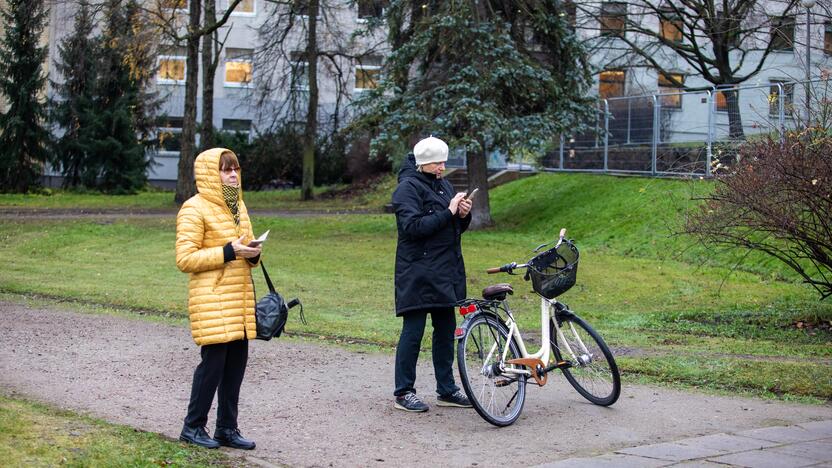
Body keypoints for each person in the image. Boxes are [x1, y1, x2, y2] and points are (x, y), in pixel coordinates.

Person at [175, 148, 261, 450]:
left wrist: (253, 253)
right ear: (211, 174)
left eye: (236, 169)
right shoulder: (193, 208)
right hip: (212, 299)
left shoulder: (238, 205)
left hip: (239, 298)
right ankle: (193, 427)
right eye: (226, 170)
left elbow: (243, 249)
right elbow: (185, 258)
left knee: (236, 367)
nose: (234, 175)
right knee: (212, 367)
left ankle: (226, 428)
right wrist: (228, 251)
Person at [391, 136, 474, 412]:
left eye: (443, 162)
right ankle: (404, 392)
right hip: (416, 272)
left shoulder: (443, 186)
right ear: (424, 163)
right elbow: (412, 228)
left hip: (443, 272)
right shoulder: (406, 189)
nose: (442, 167)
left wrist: (462, 215)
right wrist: (449, 212)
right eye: (438, 163)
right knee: (413, 332)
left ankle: (446, 389)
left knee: (445, 331)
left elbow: (451, 229)